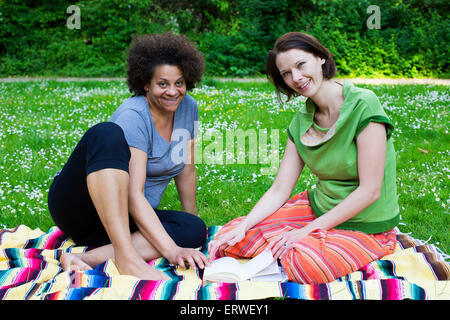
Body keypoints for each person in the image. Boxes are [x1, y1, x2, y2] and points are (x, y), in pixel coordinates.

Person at [208, 32, 399, 284]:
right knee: (230, 237)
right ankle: (293, 241)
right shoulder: (301, 122)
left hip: (366, 222)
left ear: (320, 57)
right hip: (320, 207)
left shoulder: (363, 104)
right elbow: (280, 189)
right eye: (286, 73)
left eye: (301, 65)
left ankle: (307, 243)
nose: (296, 78)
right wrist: (245, 226)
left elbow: (370, 190)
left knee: (304, 264)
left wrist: (305, 231)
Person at [48, 33, 209, 280]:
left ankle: (88, 258)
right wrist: (170, 249)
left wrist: (192, 218)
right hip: (81, 209)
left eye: (179, 83)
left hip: (125, 218)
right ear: (146, 83)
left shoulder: (188, 108)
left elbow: (186, 169)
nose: (173, 91)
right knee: (106, 133)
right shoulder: (133, 115)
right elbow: (133, 194)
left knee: (193, 230)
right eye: (162, 84)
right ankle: (127, 259)